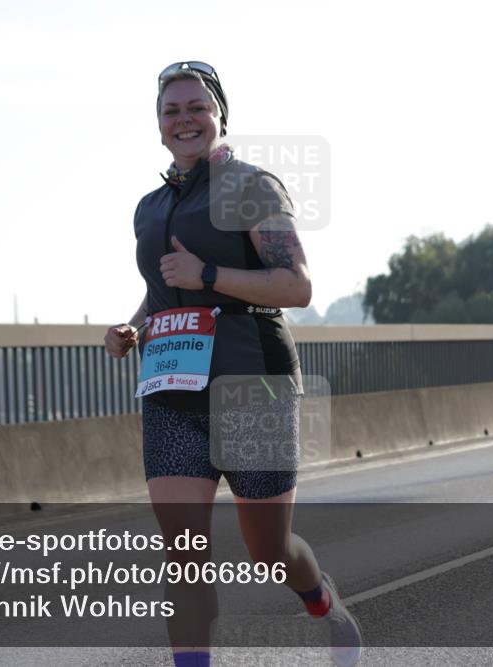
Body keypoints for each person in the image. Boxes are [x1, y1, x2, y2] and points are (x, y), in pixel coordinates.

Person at [103, 61, 362, 667]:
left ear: (220, 116)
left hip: (253, 385)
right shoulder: (149, 206)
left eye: (197, 107)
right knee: (184, 552)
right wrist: (132, 328)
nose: (185, 119)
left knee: (268, 553)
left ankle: (321, 598)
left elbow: (296, 286)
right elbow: (166, 287)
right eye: (172, 111)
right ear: (159, 125)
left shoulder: (253, 186)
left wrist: (209, 275)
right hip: (174, 391)